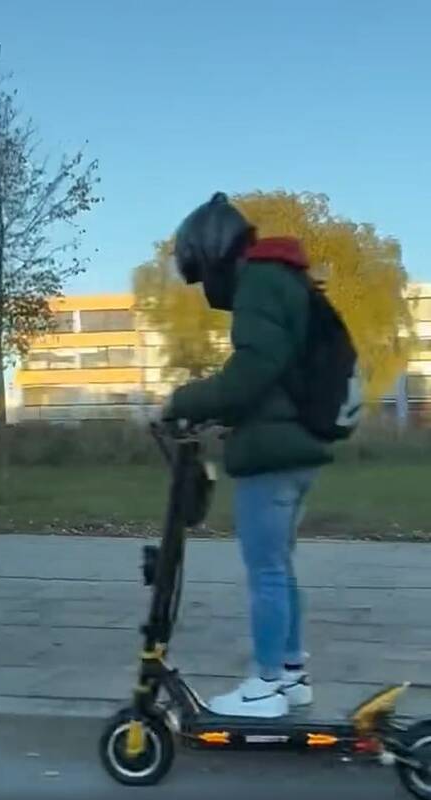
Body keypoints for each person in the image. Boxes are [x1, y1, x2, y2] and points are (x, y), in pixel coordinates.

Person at [164, 194, 332, 718]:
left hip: (273, 456)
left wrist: (184, 401)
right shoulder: (284, 280)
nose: (205, 287)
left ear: (214, 251)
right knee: (279, 567)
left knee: (266, 571)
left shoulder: (260, 282)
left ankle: (265, 686)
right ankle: (292, 675)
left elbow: (252, 372)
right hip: (297, 448)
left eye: (201, 272)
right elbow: (275, 374)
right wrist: (227, 414)